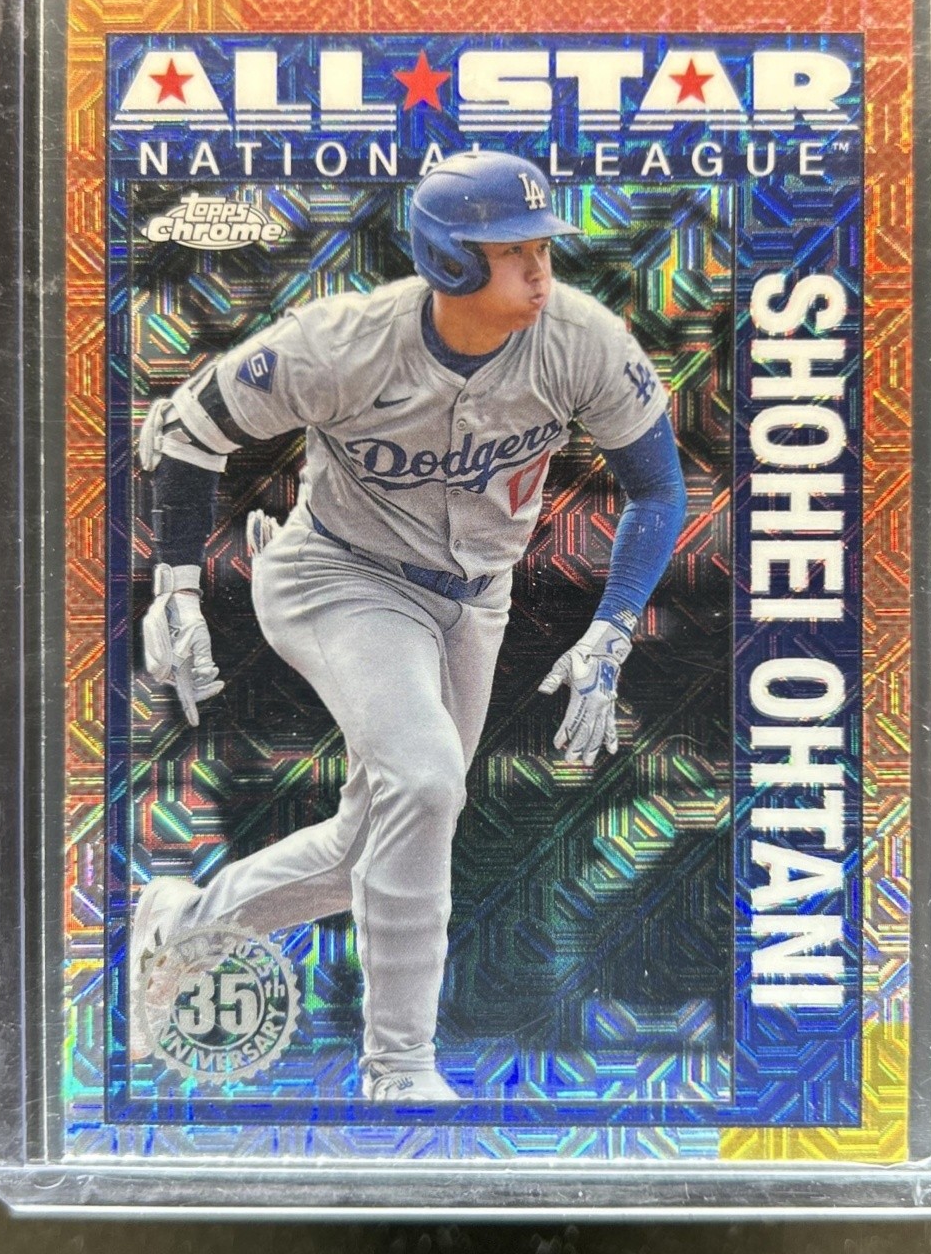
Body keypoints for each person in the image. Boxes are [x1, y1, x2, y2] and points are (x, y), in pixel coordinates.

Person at [131, 150, 687, 1102]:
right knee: (426, 783)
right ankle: (398, 1069)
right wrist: (176, 586)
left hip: (474, 600)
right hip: (337, 576)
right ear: (450, 261)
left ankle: (184, 929)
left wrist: (611, 628)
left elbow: (657, 486)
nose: (540, 271)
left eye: (542, 248)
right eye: (512, 252)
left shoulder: (583, 339)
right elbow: (188, 427)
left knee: (376, 843)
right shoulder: (342, 341)